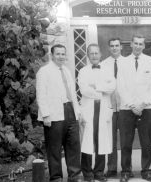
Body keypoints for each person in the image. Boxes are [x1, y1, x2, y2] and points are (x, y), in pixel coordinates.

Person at [36, 44, 83, 182]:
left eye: (63, 54)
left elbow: (72, 94)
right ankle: (56, 177)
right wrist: (45, 115)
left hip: (70, 111)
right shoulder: (44, 71)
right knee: (54, 148)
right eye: (58, 54)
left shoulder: (67, 71)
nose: (61, 57)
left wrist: (77, 112)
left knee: (73, 145)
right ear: (52, 55)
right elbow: (41, 95)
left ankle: (74, 176)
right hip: (54, 113)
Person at [117, 34, 151, 182]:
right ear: (131, 44)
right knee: (126, 142)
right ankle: (126, 172)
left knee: (146, 142)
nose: (138, 46)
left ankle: (146, 171)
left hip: (146, 108)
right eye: (136, 43)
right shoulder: (123, 62)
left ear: (144, 46)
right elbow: (120, 86)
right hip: (127, 109)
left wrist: (142, 103)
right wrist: (131, 104)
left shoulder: (150, 62)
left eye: (141, 44)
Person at [78, 43, 116, 182]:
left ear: (100, 54)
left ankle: (99, 172)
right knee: (87, 141)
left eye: (96, 53)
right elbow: (84, 90)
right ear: (88, 56)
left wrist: (96, 86)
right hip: (89, 108)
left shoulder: (107, 70)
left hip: (103, 108)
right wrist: (101, 90)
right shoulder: (83, 71)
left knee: (101, 141)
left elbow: (111, 87)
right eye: (91, 53)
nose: (94, 56)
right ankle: (87, 173)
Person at [102, 37, 134, 178]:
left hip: (125, 107)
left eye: (117, 45)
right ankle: (112, 168)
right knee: (111, 139)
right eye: (112, 46)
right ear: (109, 48)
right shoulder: (103, 65)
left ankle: (127, 168)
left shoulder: (129, 63)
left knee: (126, 140)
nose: (114, 48)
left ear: (121, 47)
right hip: (109, 107)